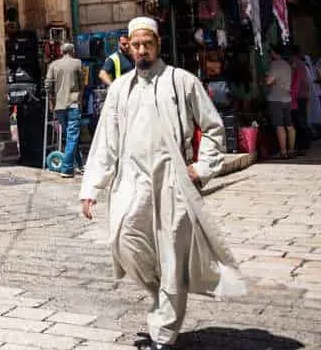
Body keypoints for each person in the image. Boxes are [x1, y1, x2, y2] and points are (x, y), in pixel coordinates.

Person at [80, 17, 243, 350]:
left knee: (170, 253)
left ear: (157, 43)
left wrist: (202, 167)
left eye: (147, 44)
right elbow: (105, 142)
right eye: (136, 45)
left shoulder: (181, 81)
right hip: (131, 181)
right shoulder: (119, 89)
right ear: (127, 46)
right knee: (124, 241)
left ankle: (164, 335)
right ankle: (160, 297)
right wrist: (91, 189)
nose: (142, 50)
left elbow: (213, 127)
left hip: (173, 182)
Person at [45, 42, 84, 179]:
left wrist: (51, 100)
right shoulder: (77, 63)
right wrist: (80, 99)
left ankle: (79, 164)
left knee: (70, 136)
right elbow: (81, 83)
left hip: (59, 105)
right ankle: (67, 168)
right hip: (73, 103)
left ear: (61, 52)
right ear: (72, 51)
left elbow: (48, 85)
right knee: (72, 136)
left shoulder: (53, 65)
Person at [265, 45, 295, 160]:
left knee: (279, 125)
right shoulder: (287, 65)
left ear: (274, 53)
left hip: (276, 98)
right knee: (289, 125)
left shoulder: (275, 64)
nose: (270, 55)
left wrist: (265, 78)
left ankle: (283, 152)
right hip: (287, 98)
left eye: (270, 53)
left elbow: (269, 81)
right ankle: (291, 150)